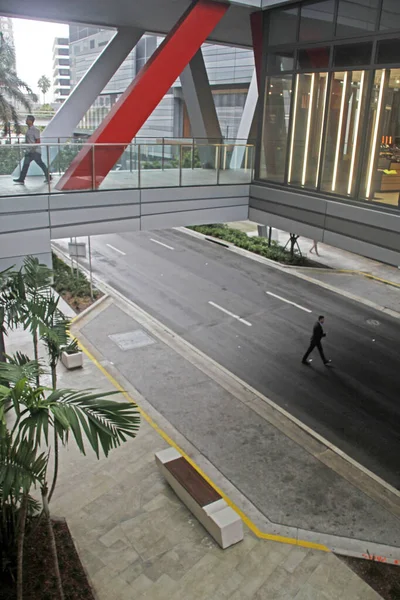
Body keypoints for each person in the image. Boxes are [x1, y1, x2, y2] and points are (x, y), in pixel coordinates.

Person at [13, 115, 52, 184]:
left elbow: (38, 140)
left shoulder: (35, 130)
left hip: (35, 151)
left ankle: (48, 177)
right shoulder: (29, 130)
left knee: (40, 164)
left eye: (27, 120)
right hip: (29, 151)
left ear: (31, 121)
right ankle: (21, 179)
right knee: (26, 164)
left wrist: (33, 149)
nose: (26, 121)